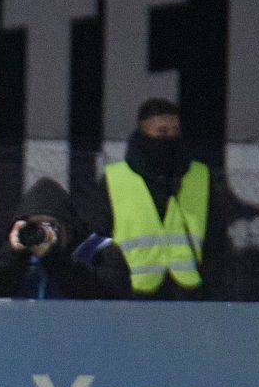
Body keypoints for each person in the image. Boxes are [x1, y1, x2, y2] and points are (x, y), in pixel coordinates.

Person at [81, 97, 223, 299]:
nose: (170, 137)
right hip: (131, 291)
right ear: (143, 133)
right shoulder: (115, 179)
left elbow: (216, 238)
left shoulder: (200, 176)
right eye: (162, 131)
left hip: (189, 291)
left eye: (175, 130)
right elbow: (97, 234)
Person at [0, 177, 131, 300]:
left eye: (50, 226)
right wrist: (12, 256)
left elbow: (109, 294)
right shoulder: (19, 258)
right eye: (35, 226)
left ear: (69, 226)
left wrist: (55, 258)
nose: (42, 234)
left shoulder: (101, 252)